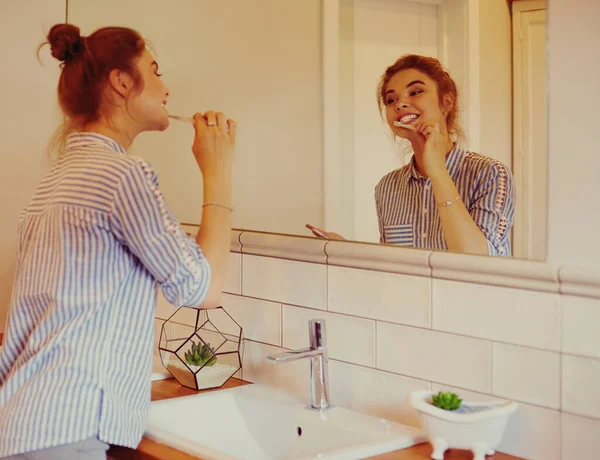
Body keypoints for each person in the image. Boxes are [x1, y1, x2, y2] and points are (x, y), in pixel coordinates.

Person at [0, 23, 236, 459]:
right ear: (123, 82)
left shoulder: (53, 183)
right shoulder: (124, 175)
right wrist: (218, 172)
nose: (166, 87)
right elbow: (203, 288)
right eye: (156, 70)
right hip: (67, 430)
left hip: (23, 422)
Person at [308, 54, 515, 257]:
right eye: (391, 99)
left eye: (415, 92)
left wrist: (438, 172)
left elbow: (479, 263)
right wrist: (347, 253)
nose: (399, 104)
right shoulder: (387, 187)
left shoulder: (490, 174)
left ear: (447, 102)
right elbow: (393, 269)